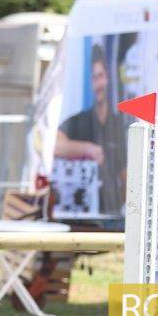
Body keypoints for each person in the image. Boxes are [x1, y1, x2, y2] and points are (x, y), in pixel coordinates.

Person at [55, 42, 127, 214]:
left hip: (111, 215)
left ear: (108, 78)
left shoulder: (119, 125)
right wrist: (87, 149)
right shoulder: (81, 121)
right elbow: (54, 145)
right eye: (94, 78)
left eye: (100, 76)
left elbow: (127, 176)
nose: (98, 84)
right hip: (81, 216)